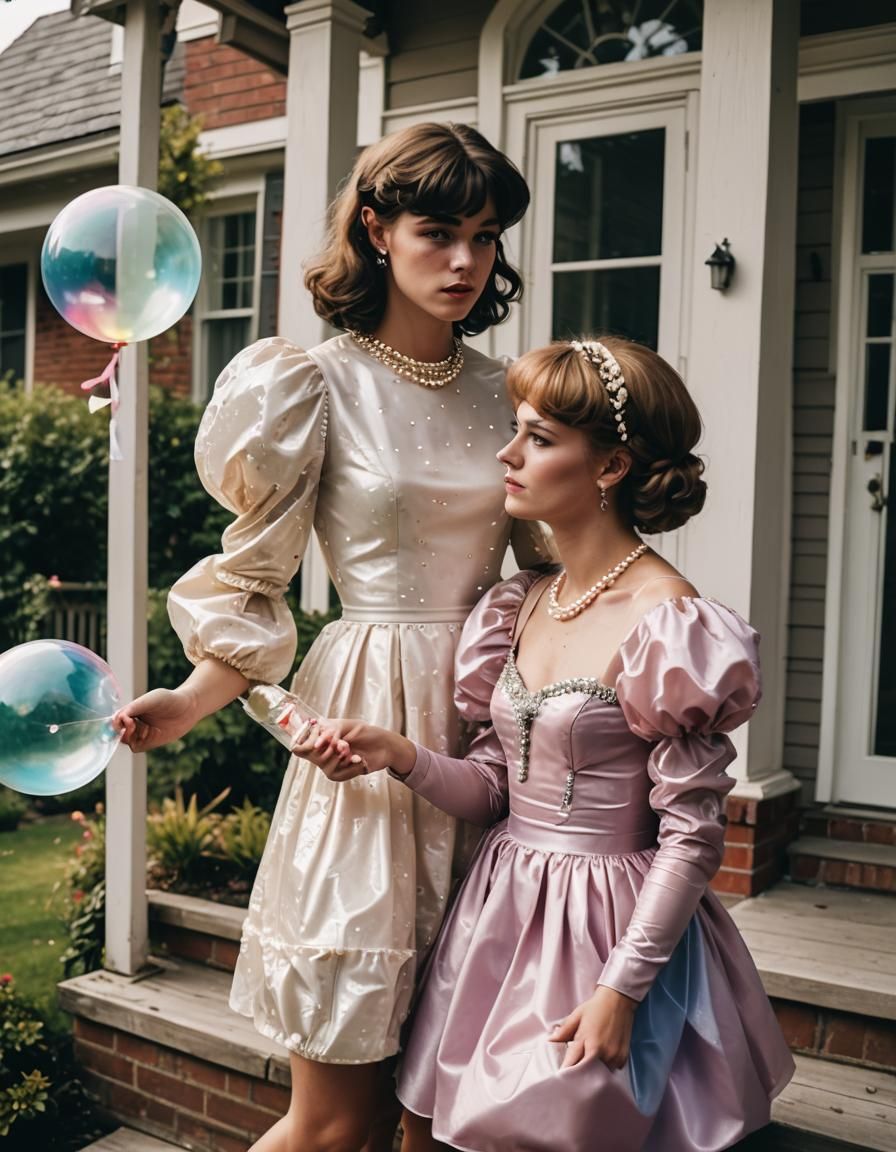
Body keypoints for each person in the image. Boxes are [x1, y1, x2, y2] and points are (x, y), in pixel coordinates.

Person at [113, 122, 550, 1152]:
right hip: (363, 729)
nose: (462, 261)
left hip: (489, 732)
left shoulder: (512, 394)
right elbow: (254, 580)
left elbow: (549, 569)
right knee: (332, 1121)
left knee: (447, 1112)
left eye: (483, 238)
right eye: (436, 231)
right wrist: (187, 700)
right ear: (375, 229)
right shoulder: (310, 384)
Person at [300, 337, 795, 1152]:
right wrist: (402, 755)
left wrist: (622, 991)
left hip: (612, 933)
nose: (509, 452)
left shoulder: (671, 624)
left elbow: (692, 838)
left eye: (539, 437)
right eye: (517, 428)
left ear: (610, 468)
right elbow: (497, 788)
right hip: (497, 919)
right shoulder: (522, 602)